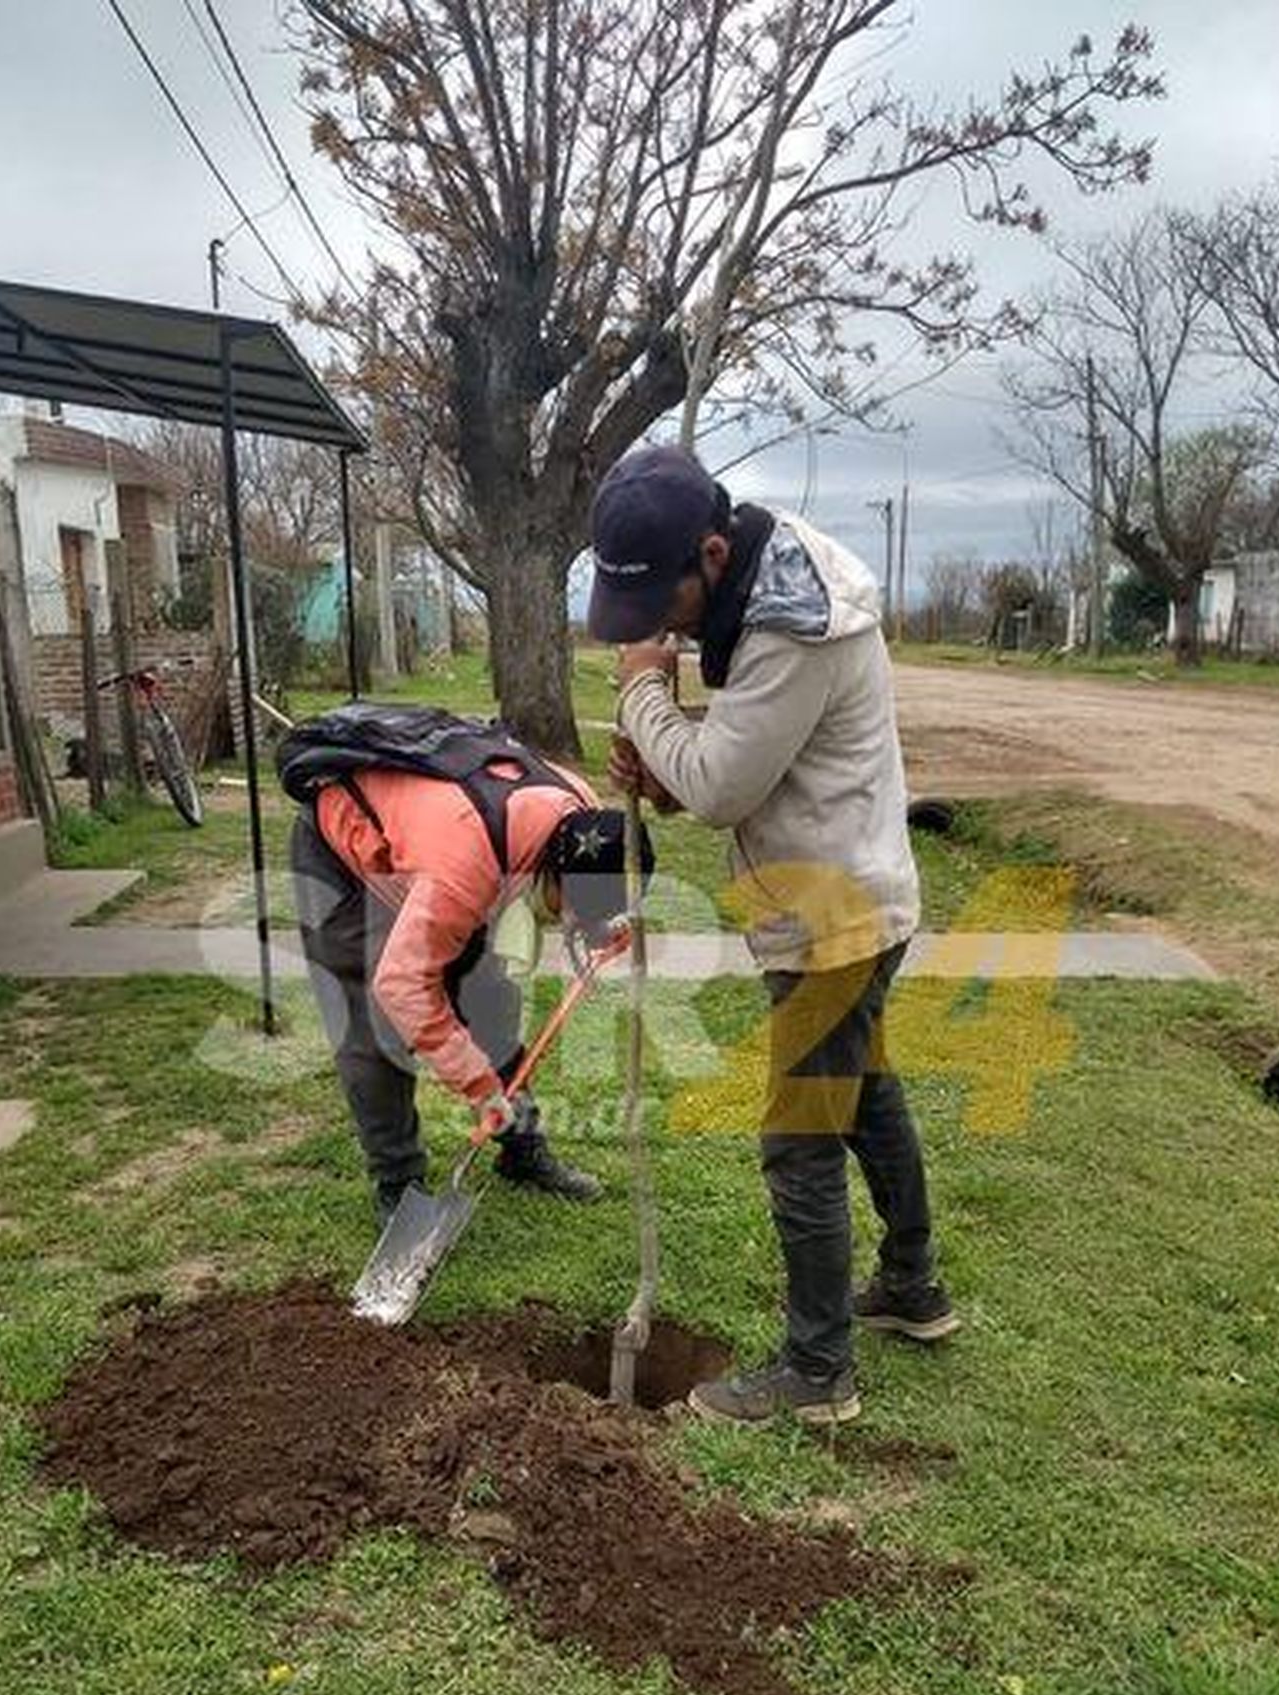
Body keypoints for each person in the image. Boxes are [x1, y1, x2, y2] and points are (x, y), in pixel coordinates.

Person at [590, 444, 957, 1427]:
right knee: (867, 1095)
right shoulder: (768, 586)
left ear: (710, 553)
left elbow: (719, 785)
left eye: (659, 605)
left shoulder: (795, 623)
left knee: (800, 1144)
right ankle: (915, 1287)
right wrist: (671, 750)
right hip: (856, 893)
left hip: (831, 919)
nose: (654, 631)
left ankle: (817, 1368)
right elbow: (743, 751)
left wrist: (643, 695)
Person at [288, 708, 653, 1227]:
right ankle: (399, 1183)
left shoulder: (582, 812)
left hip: (438, 848)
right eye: (568, 909)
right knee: (375, 1025)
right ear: (556, 871)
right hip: (345, 856)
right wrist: (480, 1088)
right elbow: (404, 987)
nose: (566, 922)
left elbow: (584, 889)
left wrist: (603, 927)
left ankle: (521, 1149)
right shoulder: (464, 866)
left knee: (490, 1002)